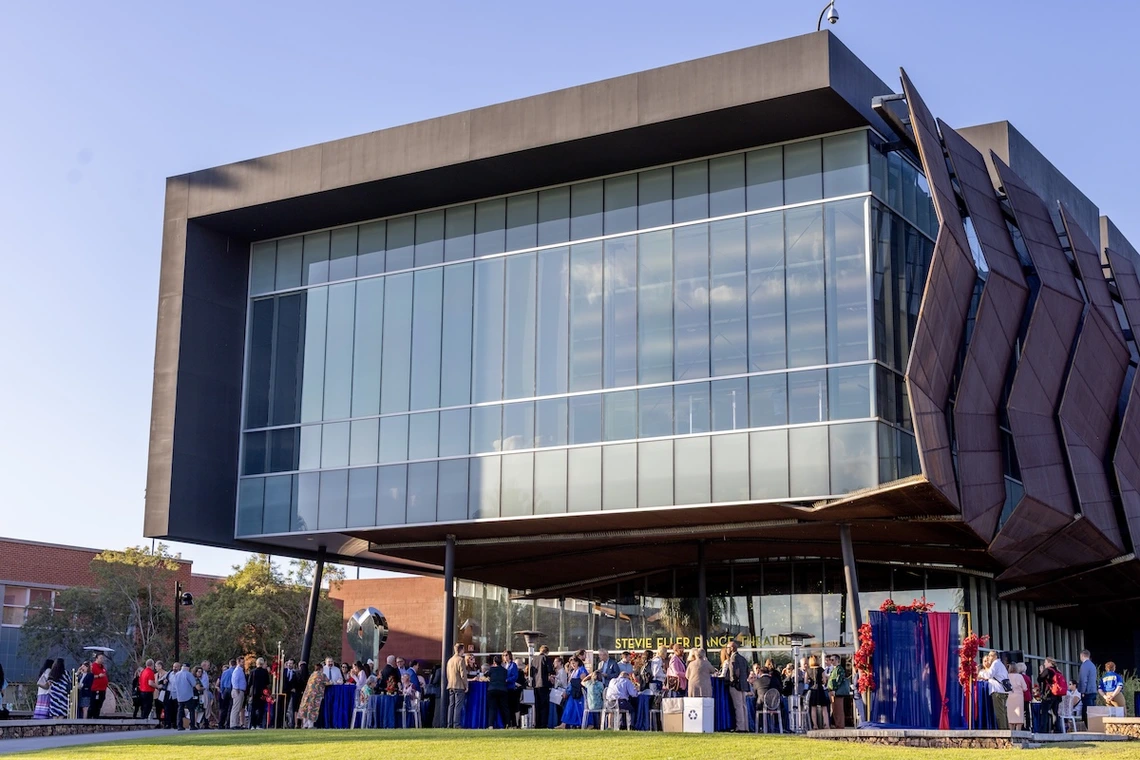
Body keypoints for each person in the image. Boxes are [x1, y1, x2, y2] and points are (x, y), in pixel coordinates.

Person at [722, 641, 750, 732]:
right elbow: (747, 671)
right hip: (744, 685)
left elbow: (734, 673)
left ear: (732, 648)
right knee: (743, 706)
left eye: (728, 648)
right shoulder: (743, 658)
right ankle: (746, 727)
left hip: (736, 686)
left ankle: (740, 727)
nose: (727, 650)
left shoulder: (733, 659)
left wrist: (733, 682)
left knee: (738, 706)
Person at [556, 656, 588, 729]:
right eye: (571, 663)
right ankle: (564, 724)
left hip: (579, 694)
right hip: (573, 693)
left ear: (578, 662)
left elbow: (583, 681)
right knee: (569, 709)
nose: (573, 665)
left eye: (574, 663)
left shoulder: (581, 670)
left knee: (579, 709)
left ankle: (583, 723)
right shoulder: (574, 671)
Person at [981, 651, 1011, 731]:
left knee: (999, 713)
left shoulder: (995, 664)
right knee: (1003, 712)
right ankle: (1006, 729)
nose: (989, 658)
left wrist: (981, 675)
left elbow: (989, 675)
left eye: (990, 656)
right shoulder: (1001, 665)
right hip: (1003, 691)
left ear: (994, 656)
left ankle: (1003, 732)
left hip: (997, 691)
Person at [298, 663, 329, 729]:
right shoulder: (322, 675)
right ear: (321, 668)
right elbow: (328, 683)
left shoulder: (312, 674)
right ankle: (310, 725)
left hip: (307, 694)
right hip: (316, 695)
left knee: (306, 708)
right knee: (312, 708)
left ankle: (305, 724)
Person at [531, 644, 554, 729]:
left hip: (536, 684)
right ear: (547, 652)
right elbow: (550, 671)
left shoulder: (534, 659)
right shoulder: (546, 659)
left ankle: (537, 723)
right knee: (544, 705)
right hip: (544, 684)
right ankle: (543, 724)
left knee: (537, 705)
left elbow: (531, 672)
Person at [446, 643, 468, 729]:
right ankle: (456, 724)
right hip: (459, 685)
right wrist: (466, 685)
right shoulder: (460, 660)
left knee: (451, 705)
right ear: (461, 650)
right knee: (458, 705)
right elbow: (463, 674)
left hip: (451, 685)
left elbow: (447, 674)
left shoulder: (450, 660)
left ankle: (449, 724)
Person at [485, 655, 510, 729]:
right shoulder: (505, 670)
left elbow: (485, 675)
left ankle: (490, 725)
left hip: (492, 689)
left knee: (492, 708)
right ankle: (507, 724)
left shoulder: (491, 669)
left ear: (494, 662)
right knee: (505, 708)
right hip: (503, 690)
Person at [1037, 658, 1061, 734]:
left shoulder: (1048, 670)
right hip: (1057, 695)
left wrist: (1041, 672)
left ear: (1049, 663)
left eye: (1045, 662)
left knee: (1044, 713)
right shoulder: (1058, 671)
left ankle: (1043, 730)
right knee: (1055, 713)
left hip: (1048, 695)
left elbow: (1039, 679)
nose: (1044, 664)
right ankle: (1057, 729)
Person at [806, 655, 830, 731]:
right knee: (824, 708)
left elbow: (806, 681)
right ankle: (826, 724)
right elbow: (824, 680)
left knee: (813, 708)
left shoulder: (808, 670)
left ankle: (815, 725)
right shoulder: (821, 669)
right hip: (820, 689)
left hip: (812, 690)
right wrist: (822, 681)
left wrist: (810, 681)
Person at [172, 663, 198, 730]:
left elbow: (174, 685)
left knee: (180, 710)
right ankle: (192, 725)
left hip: (180, 695)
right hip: (188, 695)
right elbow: (194, 683)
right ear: (188, 668)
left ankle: (179, 725)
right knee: (191, 710)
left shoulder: (176, 674)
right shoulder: (188, 674)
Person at [828, 657, 851, 729]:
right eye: (830, 660)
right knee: (835, 709)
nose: (831, 661)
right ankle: (837, 724)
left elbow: (839, 680)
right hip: (832, 692)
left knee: (839, 709)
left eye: (833, 660)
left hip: (837, 692)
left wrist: (834, 689)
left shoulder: (840, 669)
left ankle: (840, 725)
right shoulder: (834, 669)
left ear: (837, 660)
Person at [249, 657, 271, 729]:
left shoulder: (253, 671)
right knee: (261, 709)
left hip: (254, 692)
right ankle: (259, 724)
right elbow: (267, 682)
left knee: (253, 709)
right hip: (262, 693)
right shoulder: (265, 672)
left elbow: (249, 683)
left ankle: (253, 725)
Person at [1007, 662, 1028, 731]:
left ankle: (1011, 732)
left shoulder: (1007, 676)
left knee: (1010, 716)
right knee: (1018, 716)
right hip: (1018, 697)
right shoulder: (1020, 676)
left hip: (1009, 697)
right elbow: (1025, 688)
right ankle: (1018, 732)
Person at [89, 653, 109, 718]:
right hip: (95, 689)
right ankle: (91, 717)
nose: (102, 659)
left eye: (102, 658)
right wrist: (98, 676)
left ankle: (96, 716)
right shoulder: (93, 666)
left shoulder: (102, 667)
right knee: (94, 704)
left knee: (100, 703)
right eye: (100, 658)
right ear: (96, 658)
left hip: (102, 689)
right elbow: (90, 676)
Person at [229, 658, 247, 729]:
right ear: (238, 662)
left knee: (238, 708)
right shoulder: (237, 671)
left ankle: (236, 723)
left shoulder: (241, 671)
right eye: (242, 662)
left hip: (241, 690)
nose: (243, 663)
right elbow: (234, 680)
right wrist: (236, 689)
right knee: (236, 708)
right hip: (238, 690)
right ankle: (233, 724)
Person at [1079, 650, 1098, 716]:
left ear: (1082, 656)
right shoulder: (1092, 665)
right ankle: (1092, 724)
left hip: (1087, 692)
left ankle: (1087, 725)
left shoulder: (1084, 665)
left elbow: (1083, 679)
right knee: (1092, 711)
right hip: (1093, 691)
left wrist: (1083, 691)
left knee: (1086, 712)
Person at [218, 659, 235, 729]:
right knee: (230, 707)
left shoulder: (225, 672)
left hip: (225, 690)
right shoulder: (235, 671)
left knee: (224, 708)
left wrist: (222, 691)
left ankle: (221, 723)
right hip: (231, 689)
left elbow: (221, 683)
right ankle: (228, 723)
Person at [198, 661, 213, 728]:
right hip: (203, 691)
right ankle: (203, 722)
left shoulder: (205, 673)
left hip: (206, 691)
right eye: (208, 665)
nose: (209, 667)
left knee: (207, 707)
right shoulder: (201, 673)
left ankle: (206, 722)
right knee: (205, 706)